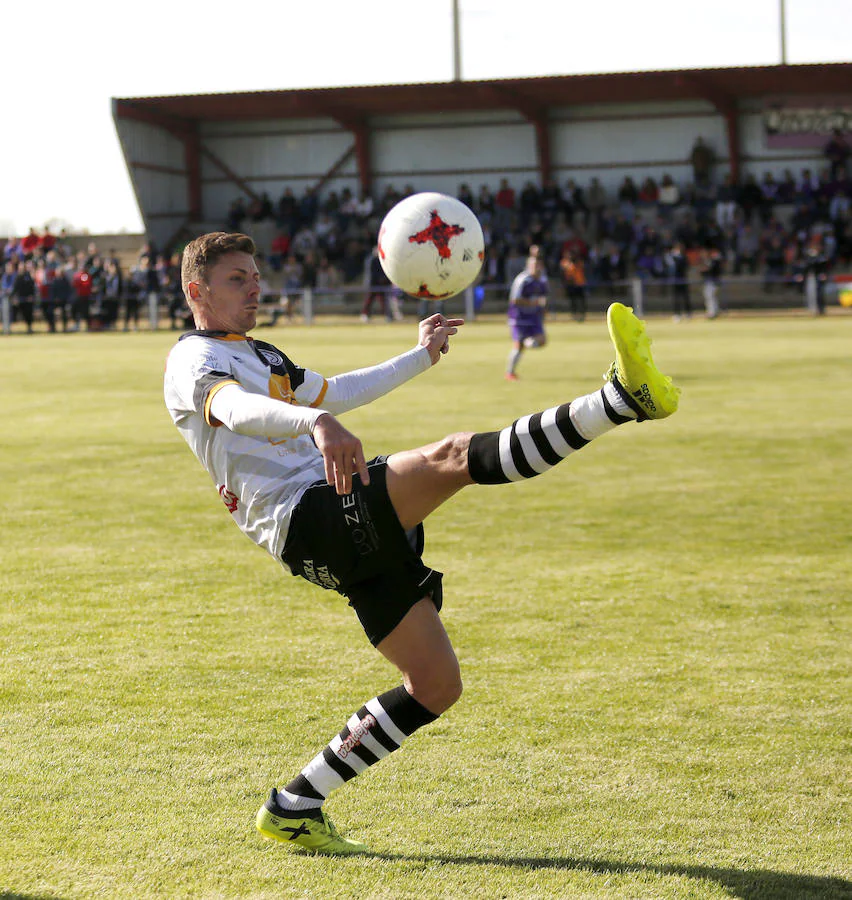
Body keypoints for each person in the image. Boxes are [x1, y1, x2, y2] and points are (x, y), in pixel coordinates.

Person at [164, 231, 680, 856]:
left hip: (329, 523)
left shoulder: (260, 351)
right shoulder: (192, 363)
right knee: (455, 456)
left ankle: (295, 804)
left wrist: (419, 356)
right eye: (237, 280)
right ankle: (622, 400)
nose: (255, 288)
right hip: (306, 516)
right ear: (198, 291)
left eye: (254, 275)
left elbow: (334, 392)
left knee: (435, 684)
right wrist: (315, 422)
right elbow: (238, 409)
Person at [505, 251, 548, 380]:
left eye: (538, 265)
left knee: (542, 340)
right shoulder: (522, 280)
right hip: (519, 317)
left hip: (534, 317)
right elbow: (514, 300)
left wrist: (542, 308)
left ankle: (527, 342)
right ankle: (510, 372)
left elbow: (543, 297)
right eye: (533, 265)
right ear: (529, 266)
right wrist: (533, 302)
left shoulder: (542, 280)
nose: (536, 268)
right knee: (519, 347)